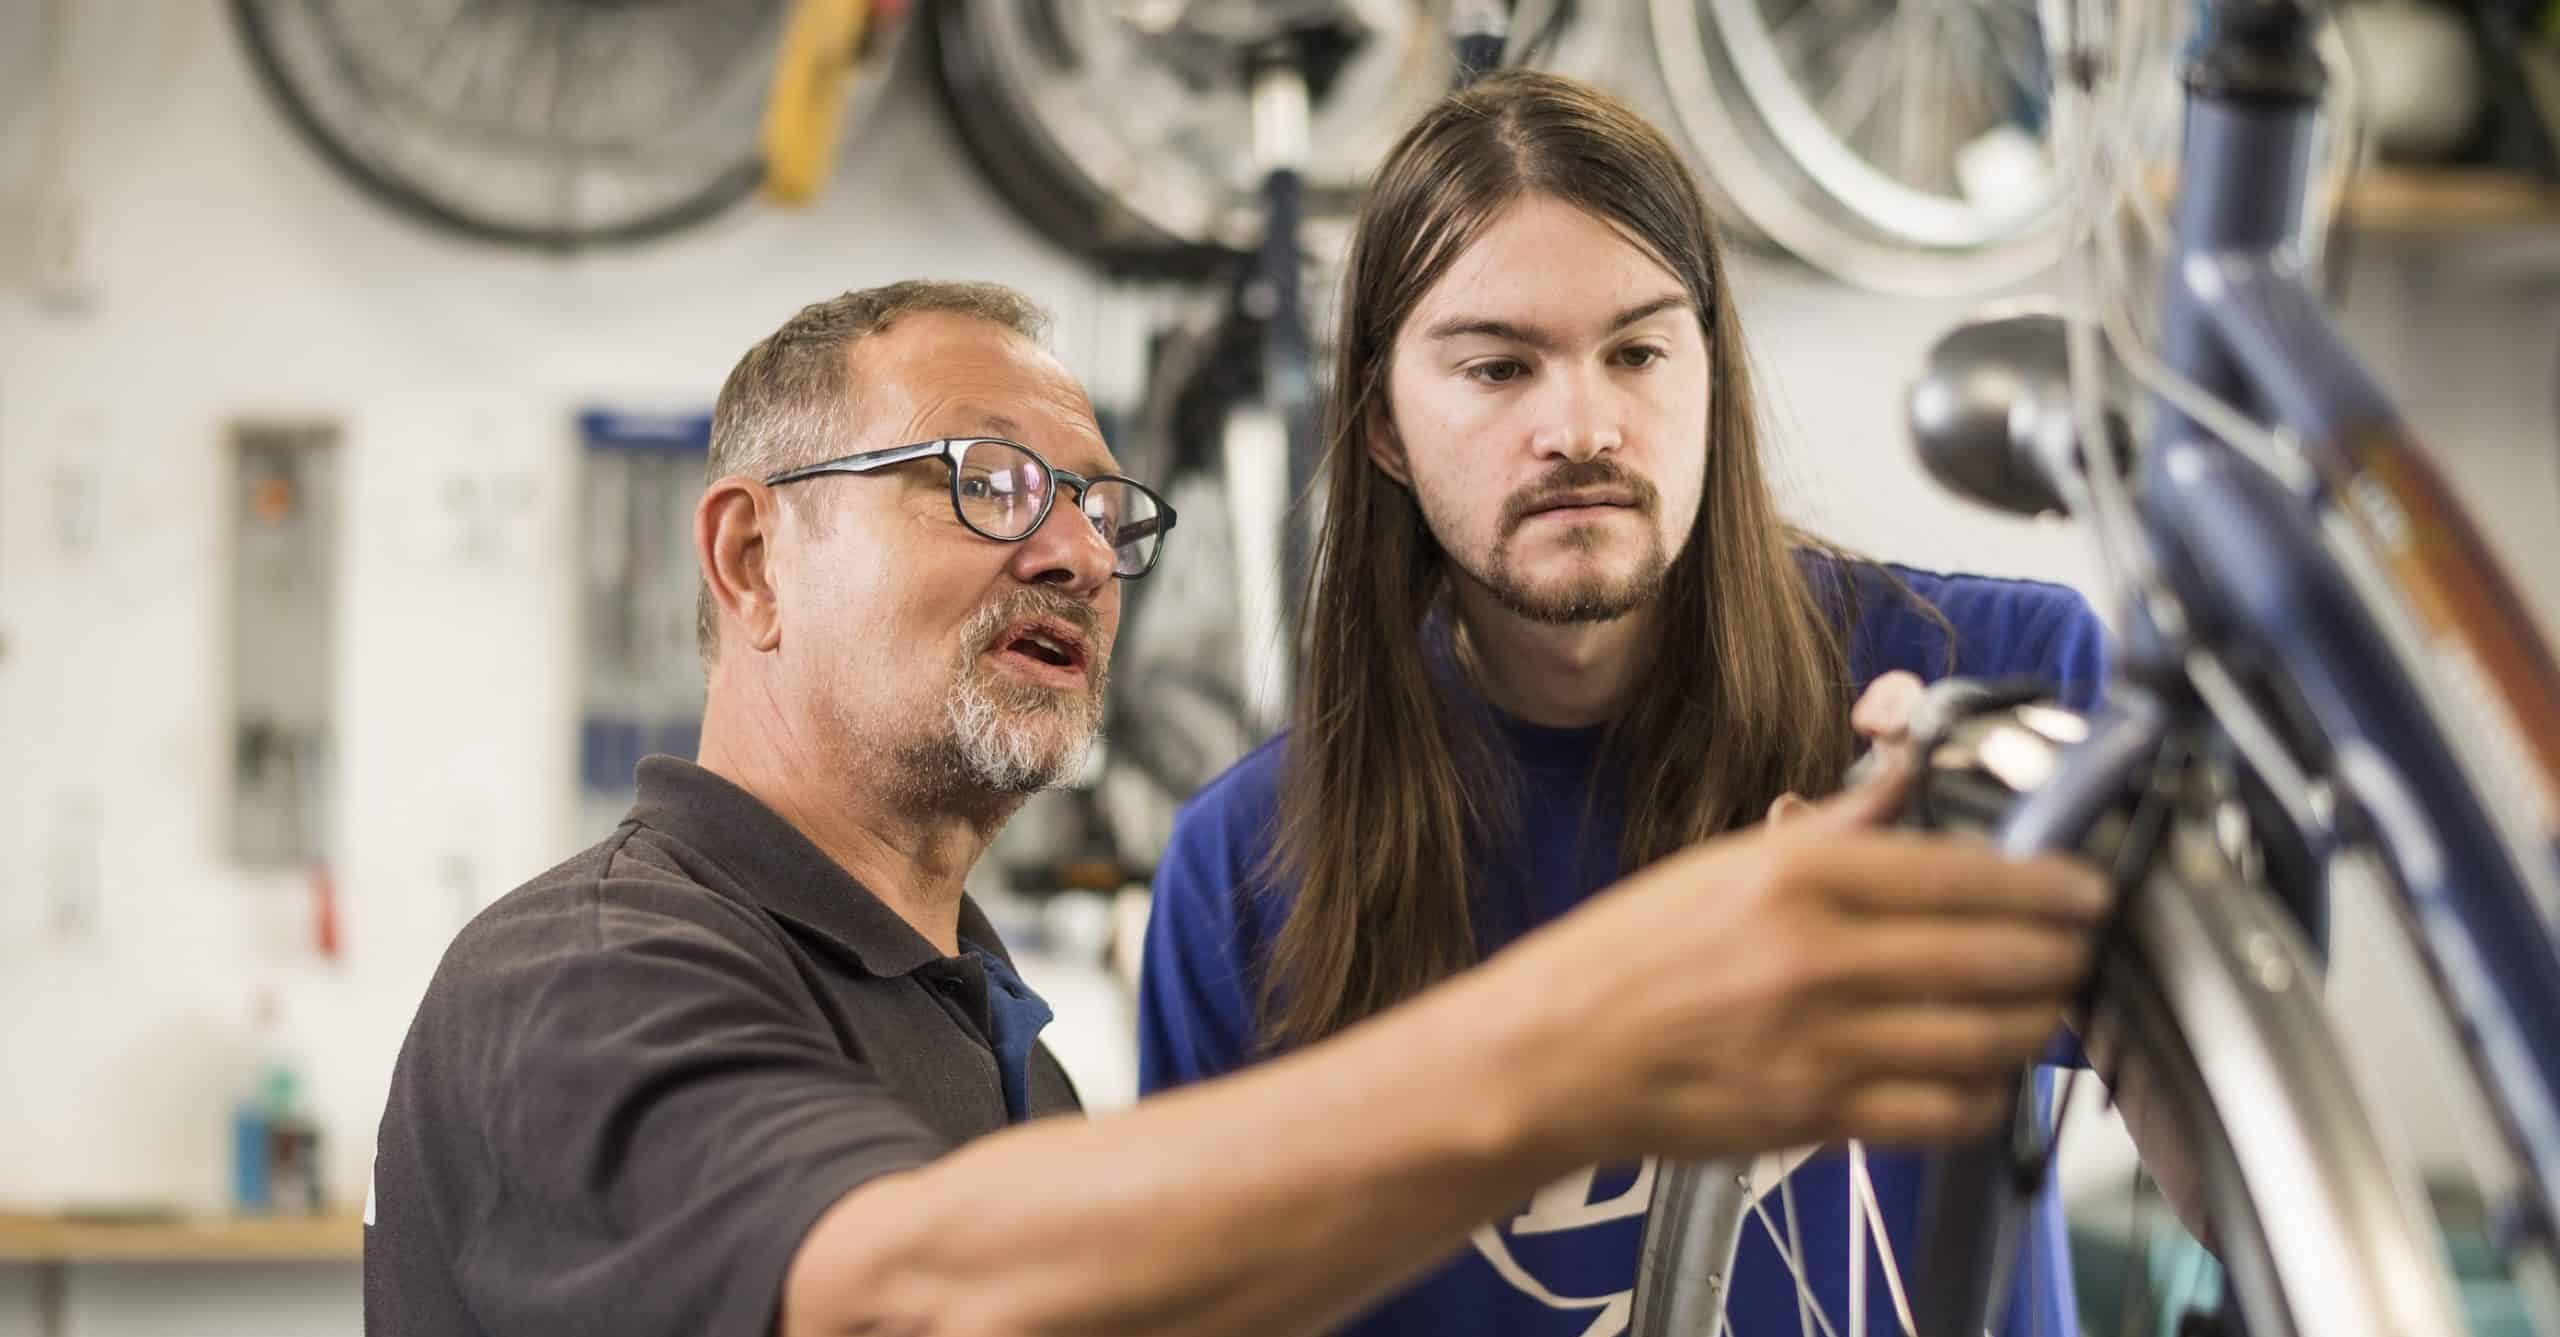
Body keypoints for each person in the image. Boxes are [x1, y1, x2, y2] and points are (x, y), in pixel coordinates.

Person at [364, 279, 2106, 1337]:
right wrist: (1629, 1021)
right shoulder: (583, 981)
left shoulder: (999, 1056)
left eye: (1105, 513)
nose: (1070, 549)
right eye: (986, 482)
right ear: (753, 551)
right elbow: (907, 1298)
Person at [1137, 70, 2113, 1337]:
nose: (1582, 427)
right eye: (1497, 368)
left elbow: (2227, 1163)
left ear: (1712, 373)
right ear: (1381, 423)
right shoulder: (1246, 867)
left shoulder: (1982, 682)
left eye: (1640, 352)